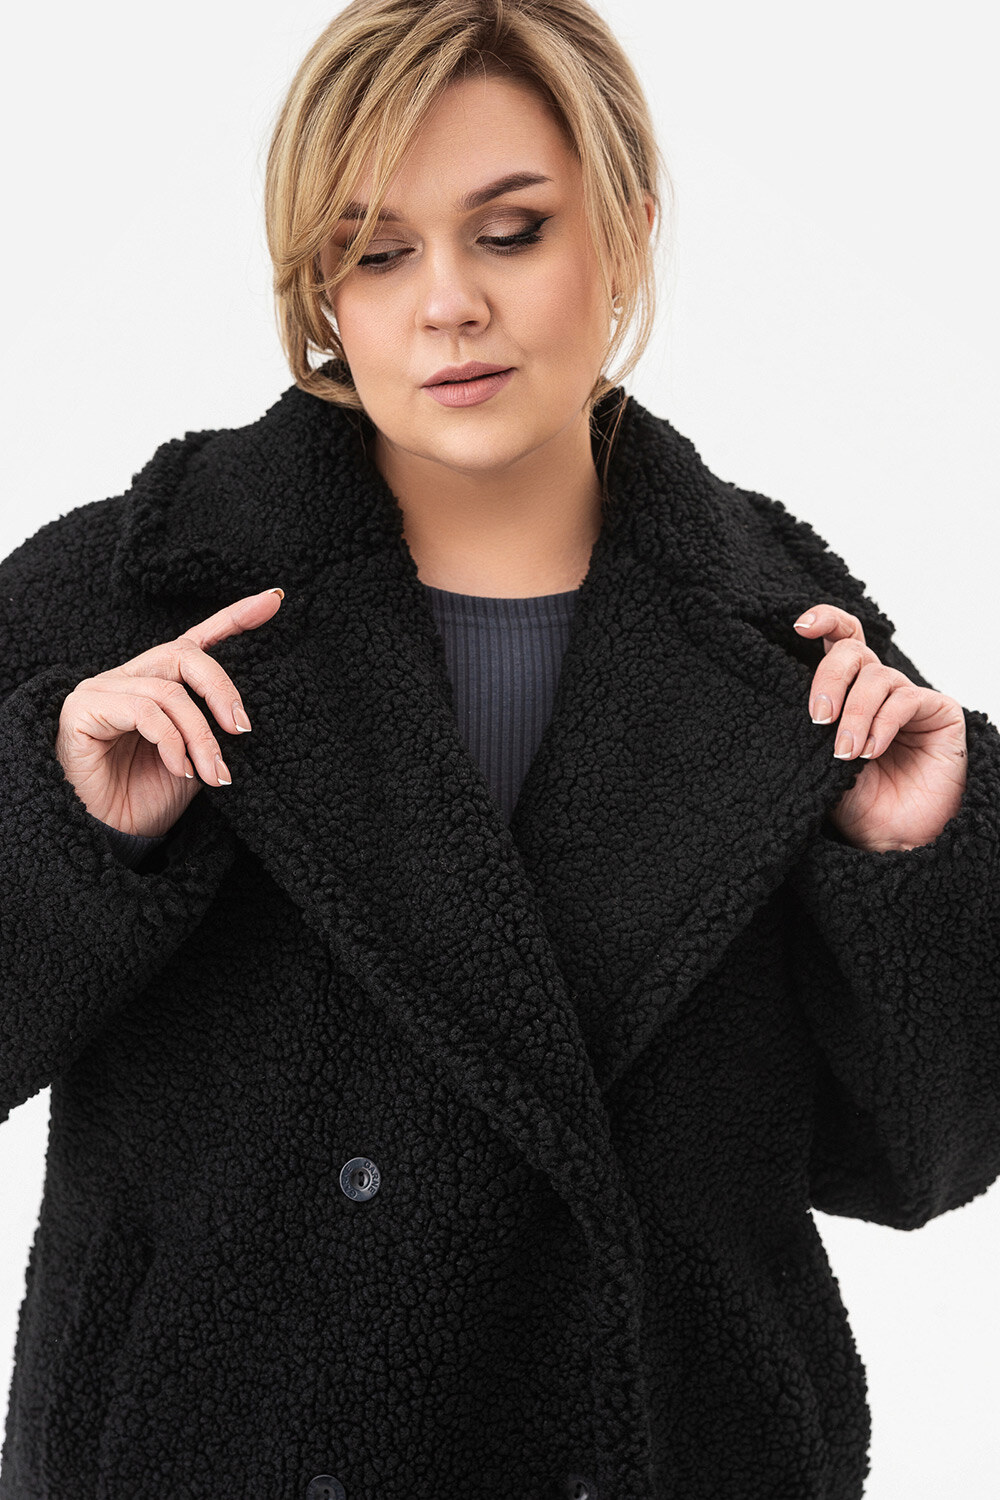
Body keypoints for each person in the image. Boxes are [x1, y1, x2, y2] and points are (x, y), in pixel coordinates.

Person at [1, 1, 997, 1496]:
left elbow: (919, 1166)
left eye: (511, 233)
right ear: (322, 282)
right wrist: (68, 834)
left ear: (627, 232)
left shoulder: (786, 639)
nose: (448, 304)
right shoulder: (129, 601)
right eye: (377, 251)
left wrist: (909, 869)